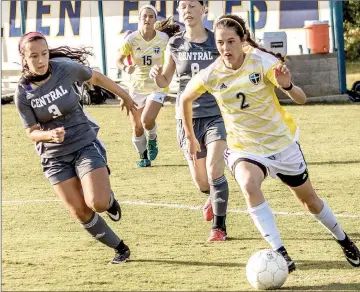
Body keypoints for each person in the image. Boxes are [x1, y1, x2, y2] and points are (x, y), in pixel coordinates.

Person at [180, 14, 360, 271]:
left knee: (310, 201)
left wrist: (287, 84)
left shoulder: (262, 62)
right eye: (220, 43)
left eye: (231, 41)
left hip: (282, 145)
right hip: (245, 148)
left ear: (242, 41)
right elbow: (185, 99)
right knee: (248, 185)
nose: (225, 48)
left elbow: (301, 99)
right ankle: (281, 253)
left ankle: (343, 239)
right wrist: (189, 136)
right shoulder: (212, 74)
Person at [15, 31, 137, 264]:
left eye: (44, 53)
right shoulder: (23, 92)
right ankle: (120, 249)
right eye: (34, 56)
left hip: (83, 143)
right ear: (24, 59)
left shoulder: (65, 68)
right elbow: (32, 133)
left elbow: (97, 78)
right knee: (80, 211)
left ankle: (109, 200)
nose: (41, 60)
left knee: (98, 203)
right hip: (54, 158)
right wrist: (49, 135)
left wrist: (125, 95)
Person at [149, 0, 230, 242]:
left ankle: (219, 228)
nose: (187, 11)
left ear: (204, 9)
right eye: (183, 6)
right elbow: (165, 81)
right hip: (186, 118)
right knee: (201, 180)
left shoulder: (217, 40)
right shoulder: (174, 43)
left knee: (215, 169)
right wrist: (157, 77)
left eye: (193, 6)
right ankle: (211, 196)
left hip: (215, 114)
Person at [116, 5, 180, 168]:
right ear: (139, 19)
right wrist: (125, 67)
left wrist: (162, 70)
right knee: (137, 127)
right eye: (144, 16)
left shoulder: (163, 39)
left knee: (146, 120)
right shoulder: (131, 39)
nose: (147, 19)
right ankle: (143, 156)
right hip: (137, 87)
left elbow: (171, 59)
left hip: (157, 85)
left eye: (151, 16)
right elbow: (118, 60)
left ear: (155, 19)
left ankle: (152, 138)